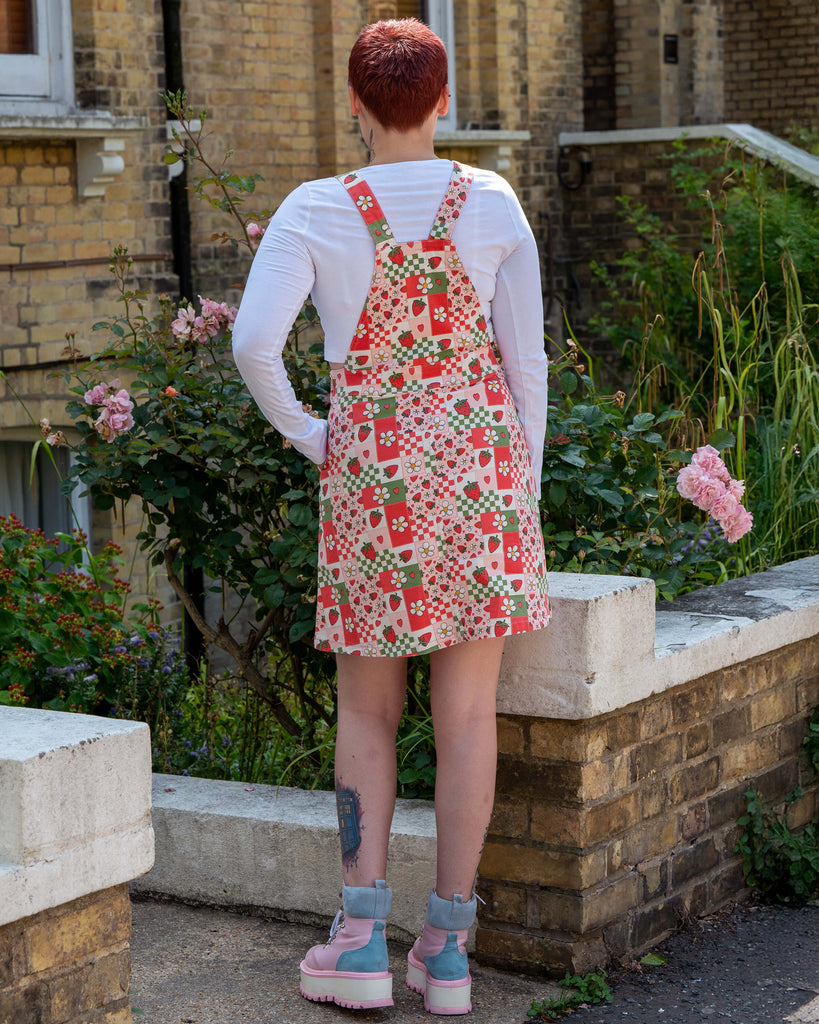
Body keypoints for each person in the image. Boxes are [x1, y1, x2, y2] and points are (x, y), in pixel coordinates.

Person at [231, 18, 550, 1015]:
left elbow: (251, 344)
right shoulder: (490, 200)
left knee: (369, 708)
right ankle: (447, 954)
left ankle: (362, 939)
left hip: (375, 482)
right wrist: (518, 490)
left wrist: (313, 435)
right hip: (483, 484)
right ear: (442, 101)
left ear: (358, 107)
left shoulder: (318, 210)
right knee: (466, 718)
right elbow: (525, 362)